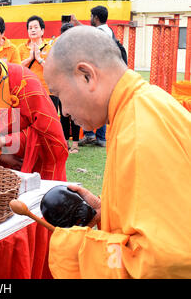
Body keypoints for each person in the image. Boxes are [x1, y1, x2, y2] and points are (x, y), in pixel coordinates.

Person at [43, 25, 191, 278]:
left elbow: (164, 261)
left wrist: (79, 250)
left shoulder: (140, 131)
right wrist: (106, 212)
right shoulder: (146, 102)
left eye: (58, 95)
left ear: (86, 75)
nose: (63, 111)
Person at [0, 47, 68, 180]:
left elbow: (48, 130)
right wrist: (0, 156)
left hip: (33, 160)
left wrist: (10, 140)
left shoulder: (23, 81)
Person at [71, 5, 114, 148]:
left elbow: (88, 36)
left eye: (91, 16)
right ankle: (98, 137)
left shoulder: (100, 33)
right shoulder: (106, 31)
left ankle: (90, 134)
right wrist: (77, 23)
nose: (90, 19)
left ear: (95, 17)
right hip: (104, 73)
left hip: (97, 73)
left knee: (87, 102)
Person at [18, 15, 58, 110]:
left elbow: (54, 69)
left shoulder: (50, 48)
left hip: (48, 91)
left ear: (42, 31)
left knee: (50, 122)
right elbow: (16, 68)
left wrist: (39, 59)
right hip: (27, 92)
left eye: (36, 27)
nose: (33, 30)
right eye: (30, 28)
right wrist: (29, 59)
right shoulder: (21, 48)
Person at [58, 22, 81, 153]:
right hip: (63, 86)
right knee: (64, 115)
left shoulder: (79, 50)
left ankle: (76, 144)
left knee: (75, 115)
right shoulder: (58, 50)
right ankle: (65, 142)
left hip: (76, 86)